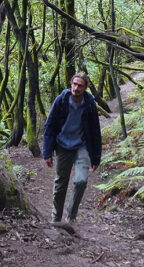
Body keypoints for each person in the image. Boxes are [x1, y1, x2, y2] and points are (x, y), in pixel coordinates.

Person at [42, 72, 102, 223]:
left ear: (85, 88)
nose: (76, 88)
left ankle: (72, 216)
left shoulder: (89, 104)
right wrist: (47, 152)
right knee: (61, 184)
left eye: (80, 85)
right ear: (71, 85)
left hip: (82, 146)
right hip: (62, 145)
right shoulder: (61, 101)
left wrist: (96, 157)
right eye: (74, 84)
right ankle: (56, 218)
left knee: (81, 181)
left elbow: (95, 131)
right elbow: (49, 126)